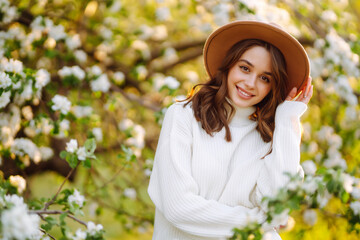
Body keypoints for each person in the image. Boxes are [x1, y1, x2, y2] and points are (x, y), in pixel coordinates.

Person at [148, 20, 313, 240]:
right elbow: (178, 208)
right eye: (245, 68)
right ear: (229, 65)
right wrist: (261, 221)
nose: (250, 83)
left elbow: (279, 206)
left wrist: (287, 120)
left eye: (265, 78)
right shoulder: (183, 116)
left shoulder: (272, 139)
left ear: (273, 87)